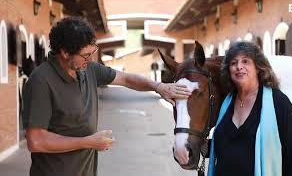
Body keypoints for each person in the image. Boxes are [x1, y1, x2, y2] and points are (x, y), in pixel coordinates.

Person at [22, 17, 191, 176]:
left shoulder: (87, 69)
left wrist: (158, 86)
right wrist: (88, 142)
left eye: (92, 52)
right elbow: (36, 141)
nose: (90, 59)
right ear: (65, 52)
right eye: (85, 55)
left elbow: (125, 78)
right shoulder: (41, 81)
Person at [207, 41, 292, 176]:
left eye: (245, 61)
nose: (239, 67)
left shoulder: (279, 103)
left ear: (258, 67)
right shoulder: (226, 103)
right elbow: (228, 144)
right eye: (233, 63)